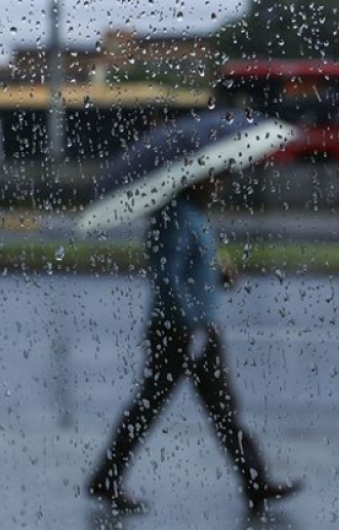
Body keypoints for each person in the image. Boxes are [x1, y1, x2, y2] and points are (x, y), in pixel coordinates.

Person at [86, 176, 300, 514]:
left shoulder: (193, 216)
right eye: (213, 179)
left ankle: (256, 482)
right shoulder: (175, 216)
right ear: (195, 181)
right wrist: (186, 323)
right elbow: (166, 275)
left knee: (220, 409)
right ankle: (106, 479)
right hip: (180, 330)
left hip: (198, 329)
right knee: (153, 406)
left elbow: (191, 272)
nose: (219, 185)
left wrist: (219, 276)